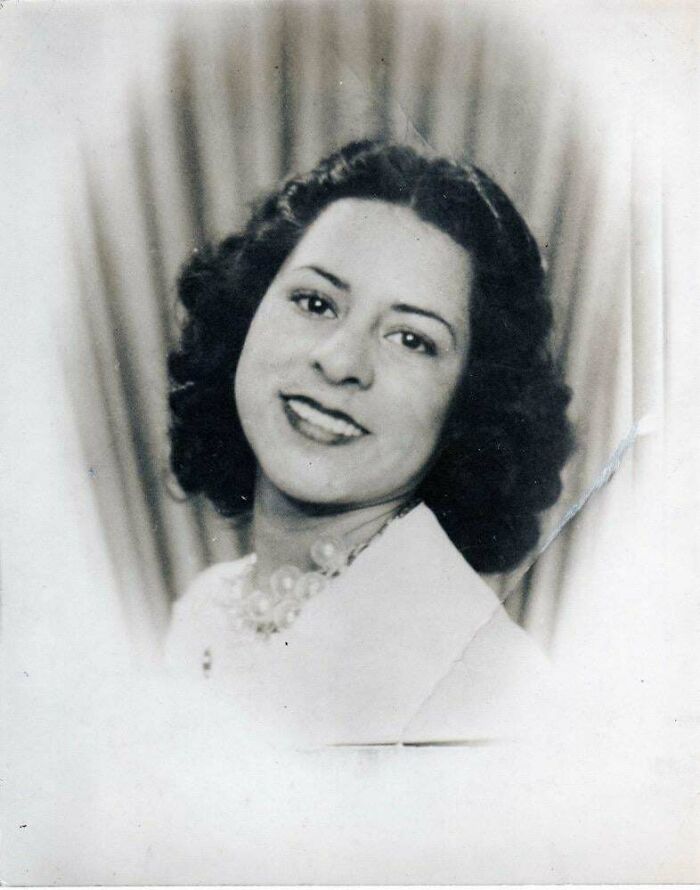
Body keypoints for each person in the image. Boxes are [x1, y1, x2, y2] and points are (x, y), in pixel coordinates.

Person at [164, 140, 574, 746]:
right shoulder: (205, 611)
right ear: (246, 314)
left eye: (411, 339)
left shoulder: (484, 691)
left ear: (470, 402)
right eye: (315, 302)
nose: (340, 362)